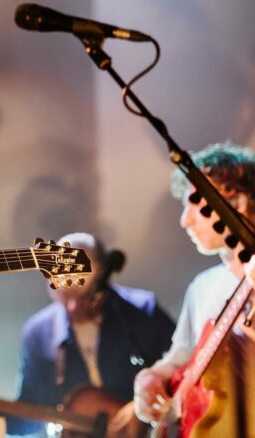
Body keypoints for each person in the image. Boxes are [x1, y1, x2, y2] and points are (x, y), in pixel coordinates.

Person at [0, 232, 175, 437]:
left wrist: (141, 405)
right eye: (63, 298)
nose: (70, 308)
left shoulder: (143, 310)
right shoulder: (38, 333)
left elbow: (182, 369)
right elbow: (31, 416)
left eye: (81, 297)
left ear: (102, 284)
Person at [133, 142, 255, 434]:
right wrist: (150, 380)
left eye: (195, 203)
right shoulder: (202, 286)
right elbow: (181, 358)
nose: (184, 220)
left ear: (239, 202)